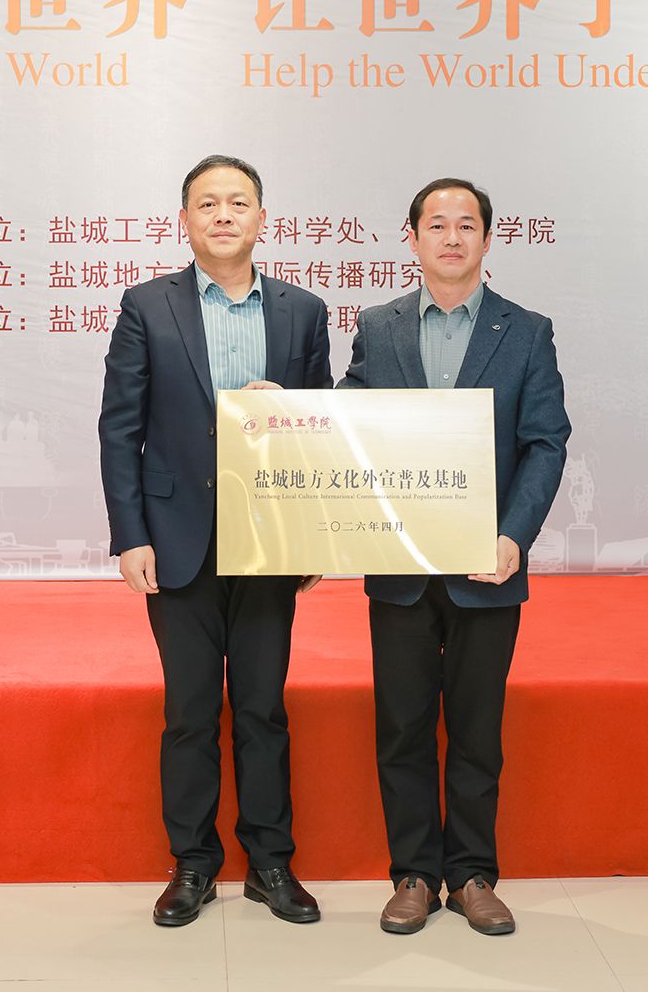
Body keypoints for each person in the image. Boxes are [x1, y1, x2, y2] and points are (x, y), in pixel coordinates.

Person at [98, 154, 333, 927]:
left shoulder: (303, 311)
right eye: (208, 204)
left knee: (263, 708)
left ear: (263, 218)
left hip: (270, 537)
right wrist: (130, 535)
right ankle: (193, 863)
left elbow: (324, 428)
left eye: (238, 203)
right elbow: (119, 428)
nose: (224, 215)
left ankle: (270, 863)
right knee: (191, 711)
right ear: (185, 220)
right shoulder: (147, 306)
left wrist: (313, 532)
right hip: (177, 539)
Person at [337, 176, 570, 937]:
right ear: (411, 238)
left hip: (486, 566)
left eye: (466, 224)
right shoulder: (378, 326)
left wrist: (514, 536)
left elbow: (545, 442)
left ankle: (471, 875)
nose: (451, 237)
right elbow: (345, 423)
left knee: (476, 728)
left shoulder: (526, 331)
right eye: (436, 224)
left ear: (487, 240)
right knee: (402, 727)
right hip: (400, 567)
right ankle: (412, 873)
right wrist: (282, 413)